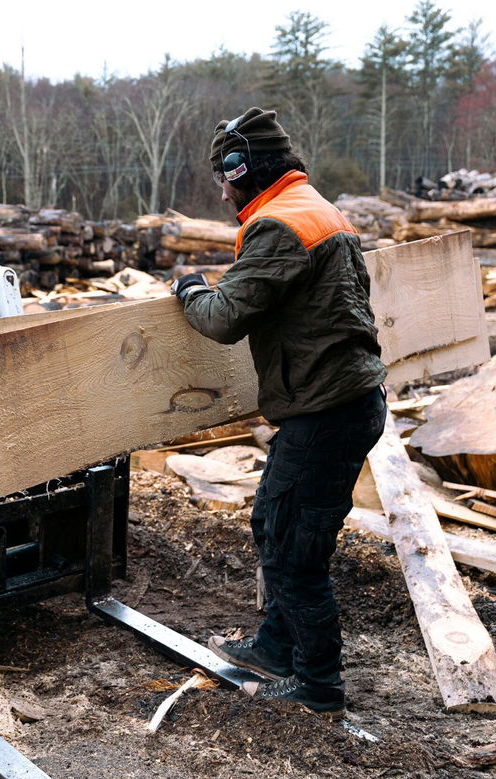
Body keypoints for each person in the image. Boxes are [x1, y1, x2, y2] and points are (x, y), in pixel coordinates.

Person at [173, 107, 387, 718]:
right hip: (338, 403)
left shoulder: (278, 225)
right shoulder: (317, 208)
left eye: (224, 175)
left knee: (297, 551)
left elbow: (221, 319)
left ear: (246, 170)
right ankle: (273, 646)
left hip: (327, 411)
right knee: (273, 521)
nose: (220, 190)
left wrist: (191, 289)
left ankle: (319, 684)